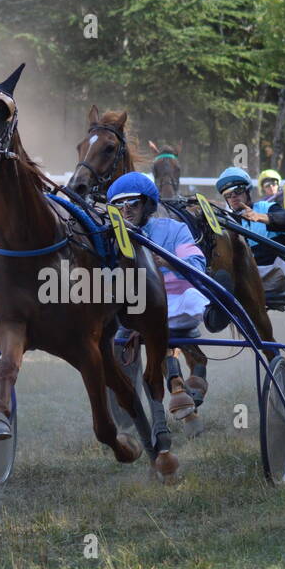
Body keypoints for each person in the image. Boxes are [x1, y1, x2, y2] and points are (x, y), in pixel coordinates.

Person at [106, 171, 208, 419]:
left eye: (133, 203)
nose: (126, 210)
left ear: (146, 204)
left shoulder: (174, 230)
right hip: (131, 313)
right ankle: (126, 416)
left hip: (177, 305)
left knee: (159, 328)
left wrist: (170, 263)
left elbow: (197, 266)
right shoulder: (109, 238)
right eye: (119, 205)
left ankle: (178, 383)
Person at [214, 167, 285, 295]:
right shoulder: (228, 221)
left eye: (237, 191)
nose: (233, 196)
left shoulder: (267, 207)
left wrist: (261, 217)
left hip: (280, 274)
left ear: (248, 191)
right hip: (251, 279)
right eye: (227, 195)